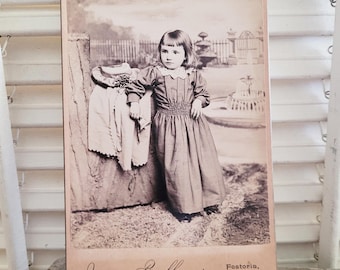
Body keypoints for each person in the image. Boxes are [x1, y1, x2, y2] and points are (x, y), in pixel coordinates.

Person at [126, 29, 226, 222]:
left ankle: (209, 200)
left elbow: (203, 94)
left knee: (202, 161)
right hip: (169, 126)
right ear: (160, 51)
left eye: (175, 52)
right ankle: (184, 207)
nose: (169, 57)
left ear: (186, 55)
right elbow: (135, 86)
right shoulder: (155, 72)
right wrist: (134, 102)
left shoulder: (192, 74)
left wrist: (198, 101)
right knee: (177, 166)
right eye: (165, 51)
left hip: (194, 124)